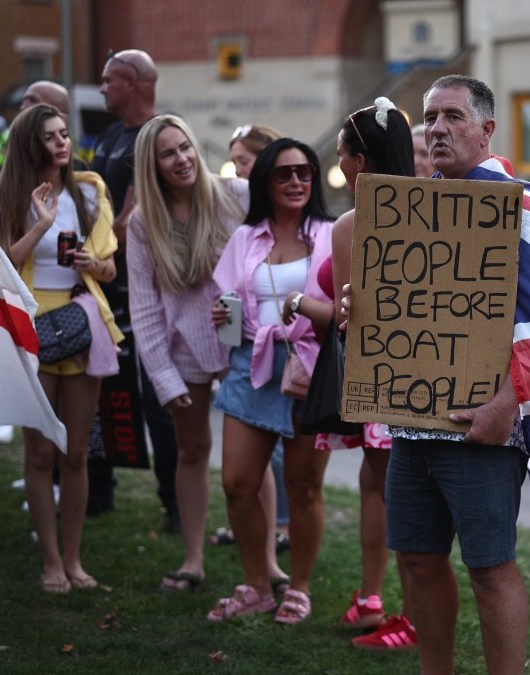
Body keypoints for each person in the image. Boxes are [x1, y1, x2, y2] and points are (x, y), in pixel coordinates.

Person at [340, 74, 530, 672]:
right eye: (429, 118)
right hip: (410, 421)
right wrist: (357, 319)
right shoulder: (411, 206)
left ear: (486, 129)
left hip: (482, 426)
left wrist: (509, 404)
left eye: (452, 117)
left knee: (490, 569)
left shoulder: (522, 202)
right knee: (416, 559)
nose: (436, 129)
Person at [0, 103, 123, 593]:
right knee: (40, 452)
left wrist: (93, 262)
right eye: (51, 137)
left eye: (65, 134)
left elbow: (109, 270)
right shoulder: (9, 194)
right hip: (31, 324)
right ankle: (49, 560)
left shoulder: (89, 190)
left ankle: (74, 559)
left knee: (77, 451)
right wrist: (41, 225)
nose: (63, 144)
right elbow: (0, 262)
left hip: (81, 319)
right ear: (32, 144)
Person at [208, 138, 333, 623]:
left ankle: (298, 587)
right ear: (264, 181)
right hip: (252, 363)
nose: (297, 181)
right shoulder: (245, 237)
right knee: (237, 483)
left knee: (303, 487)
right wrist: (222, 313)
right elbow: (227, 306)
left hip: (311, 366)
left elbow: (347, 308)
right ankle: (257, 583)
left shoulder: (329, 233)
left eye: (304, 172)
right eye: (284, 173)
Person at [128, 115, 248, 591]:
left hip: (242, 340)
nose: (181, 159)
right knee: (193, 449)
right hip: (183, 348)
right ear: (152, 165)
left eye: (185, 148)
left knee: (250, 454)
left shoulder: (233, 195)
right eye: (168, 154)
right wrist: (163, 377)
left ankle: (265, 560)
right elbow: (144, 305)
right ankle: (193, 560)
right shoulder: (144, 222)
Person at [323, 98, 417, 650]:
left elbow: (346, 316)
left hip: (382, 377)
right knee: (391, 489)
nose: (339, 167)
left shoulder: (351, 225)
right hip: (429, 376)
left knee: (387, 490)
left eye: (341, 156)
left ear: (361, 161)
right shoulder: (441, 211)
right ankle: (388, 603)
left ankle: (390, 603)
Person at [89, 48, 181, 527]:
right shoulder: (108, 136)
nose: (102, 88)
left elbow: (136, 222)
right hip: (102, 283)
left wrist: (117, 227)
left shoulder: (162, 135)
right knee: (99, 389)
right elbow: (102, 211)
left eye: (108, 80)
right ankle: (98, 489)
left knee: (157, 400)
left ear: (129, 80)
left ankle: (175, 503)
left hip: (148, 290)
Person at [213, 121, 293, 576]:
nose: (238, 173)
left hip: (297, 356)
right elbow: (228, 292)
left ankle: (287, 555)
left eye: (244, 162)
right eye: (236, 163)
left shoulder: (313, 228)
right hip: (249, 354)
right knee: (242, 472)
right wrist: (225, 317)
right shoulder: (243, 229)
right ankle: (261, 569)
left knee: (292, 467)